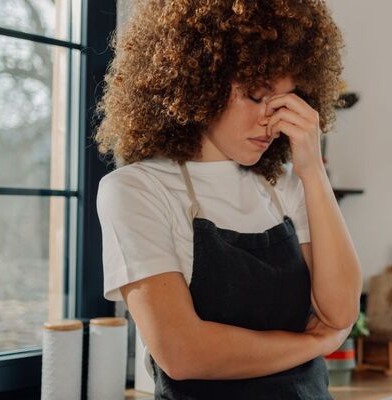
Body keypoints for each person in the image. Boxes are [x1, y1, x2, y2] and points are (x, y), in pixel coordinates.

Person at [94, 1, 362, 398]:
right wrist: (315, 344)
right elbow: (183, 354)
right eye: (255, 95)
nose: (271, 120)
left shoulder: (288, 186)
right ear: (199, 82)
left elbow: (340, 312)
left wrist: (312, 172)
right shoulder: (136, 190)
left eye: (286, 101)